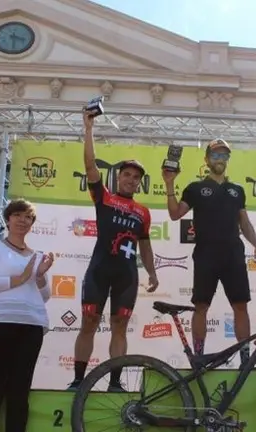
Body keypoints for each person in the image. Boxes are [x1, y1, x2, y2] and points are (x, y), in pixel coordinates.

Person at [67, 111, 159, 392]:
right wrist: (88, 129)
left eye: (136, 177)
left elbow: (145, 244)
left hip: (126, 275)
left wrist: (153, 273)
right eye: (127, 174)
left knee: (120, 326)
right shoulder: (104, 197)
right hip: (99, 269)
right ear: (118, 177)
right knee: (89, 323)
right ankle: (78, 381)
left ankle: (116, 383)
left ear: (140, 183)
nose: (131, 179)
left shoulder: (143, 212)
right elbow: (89, 164)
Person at [163, 138, 256, 368]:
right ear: (207, 159)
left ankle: (246, 361)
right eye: (216, 155)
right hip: (206, 255)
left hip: (233, 255)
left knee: (240, 306)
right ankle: (199, 359)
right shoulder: (195, 188)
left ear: (228, 159)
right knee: (201, 306)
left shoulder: (237, 190)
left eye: (224, 155)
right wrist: (169, 184)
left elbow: (244, 222)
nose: (220, 159)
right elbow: (175, 214)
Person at [0, 199, 55, 432]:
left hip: (30, 325)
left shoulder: (37, 256)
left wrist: (38, 275)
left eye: (28, 217)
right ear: (8, 219)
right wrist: (19, 279)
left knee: (20, 391)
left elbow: (45, 295)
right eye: (18, 215)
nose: (23, 220)